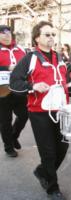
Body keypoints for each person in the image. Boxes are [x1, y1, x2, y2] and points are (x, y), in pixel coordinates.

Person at [9, 21, 71, 200]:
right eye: (47, 34)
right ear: (37, 37)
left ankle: (42, 171)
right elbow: (14, 82)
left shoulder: (60, 57)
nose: (51, 37)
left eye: (53, 34)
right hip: (40, 113)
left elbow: (66, 84)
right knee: (48, 151)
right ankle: (52, 188)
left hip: (60, 111)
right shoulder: (30, 58)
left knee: (63, 146)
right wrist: (33, 86)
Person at [0, 24, 28, 157]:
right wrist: (7, 68)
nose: (7, 35)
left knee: (24, 115)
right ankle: (8, 147)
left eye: (8, 32)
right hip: (2, 90)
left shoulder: (20, 49)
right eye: (3, 32)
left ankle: (14, 135)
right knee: (5, 120)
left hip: (19, 88)